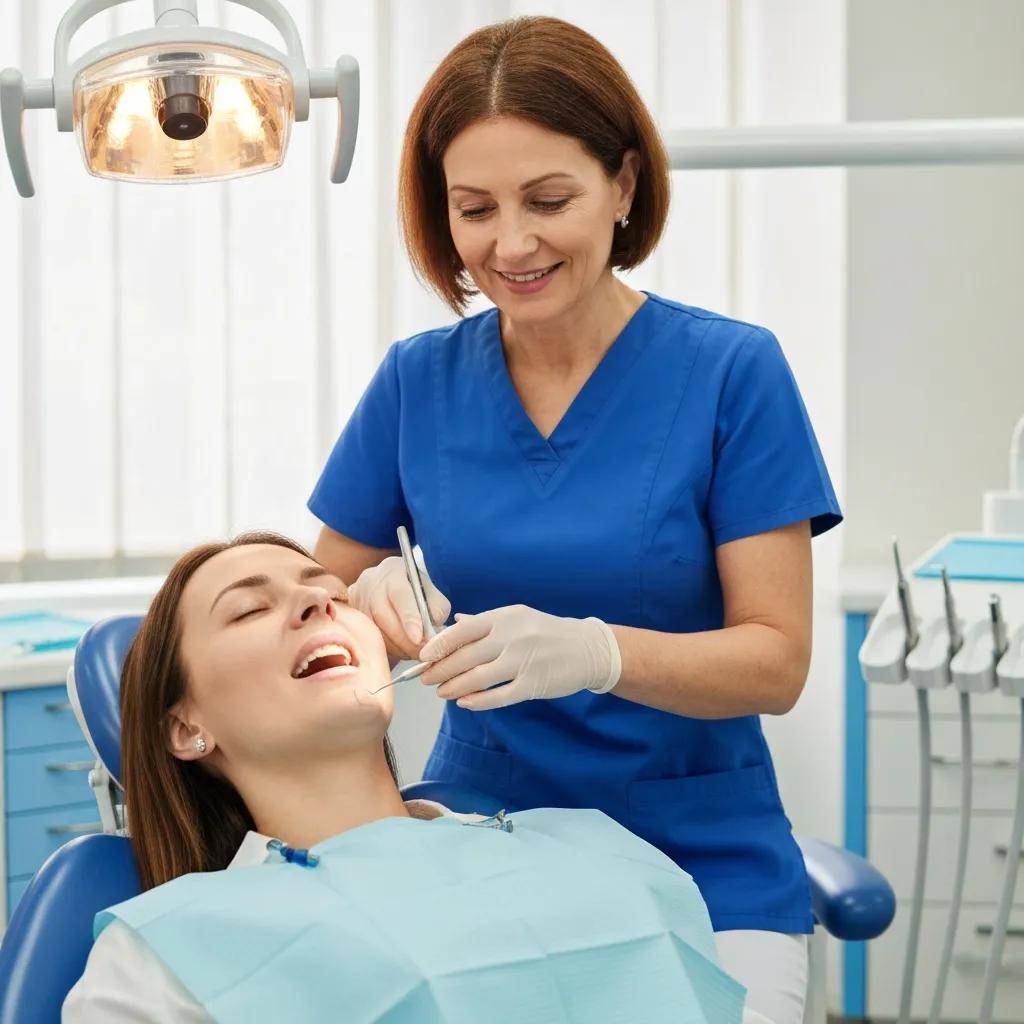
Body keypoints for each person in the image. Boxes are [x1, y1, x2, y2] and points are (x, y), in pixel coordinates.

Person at [308, 16, 842, 1024]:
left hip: (699, 852)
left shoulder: (732, 373)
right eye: (475, 209)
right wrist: (365, 603)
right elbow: (317, 599)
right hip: (484, 834)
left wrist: (598, 652)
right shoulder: (417, 382)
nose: (511, 243)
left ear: (624, 185)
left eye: (548, 199)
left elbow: (774, 662)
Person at [62, 533, 749, 1023]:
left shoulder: (584, 847)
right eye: (248, 609)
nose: (317, 605)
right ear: (185, 728)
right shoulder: (167, 954)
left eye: (332, 595)